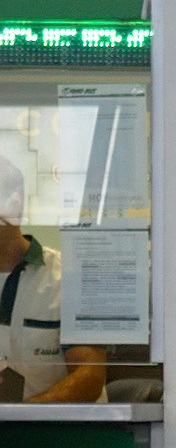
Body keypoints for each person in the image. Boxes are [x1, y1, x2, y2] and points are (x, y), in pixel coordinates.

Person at [0, 155, 105, 404]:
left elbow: (89, 376)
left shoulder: (69, 278)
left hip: (60, 434)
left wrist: (24, 413)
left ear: (14, 206)